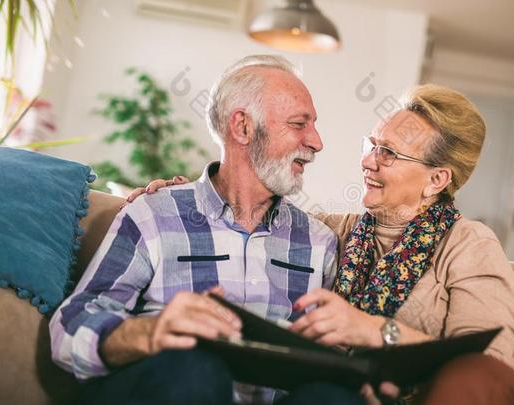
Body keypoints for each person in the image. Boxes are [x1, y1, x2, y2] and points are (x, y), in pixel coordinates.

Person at [141, 84, 514, 405]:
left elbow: (487, 364)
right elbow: (250, 208)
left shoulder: (469, 243)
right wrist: (186, 191)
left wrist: (374, 330)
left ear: (437, 180)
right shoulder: (333, 233)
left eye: (390, 154)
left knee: (468, 371)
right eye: (371, 144)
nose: (368, 161)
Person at [49, 55, 363, 405]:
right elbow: (69, 328)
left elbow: (332, 350)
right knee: (195, 369)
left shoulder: (319, 242)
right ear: (242, 127)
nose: (317, 142)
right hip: (176, 386)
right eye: (298, 124)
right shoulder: (154, 213)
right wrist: (148, 333)